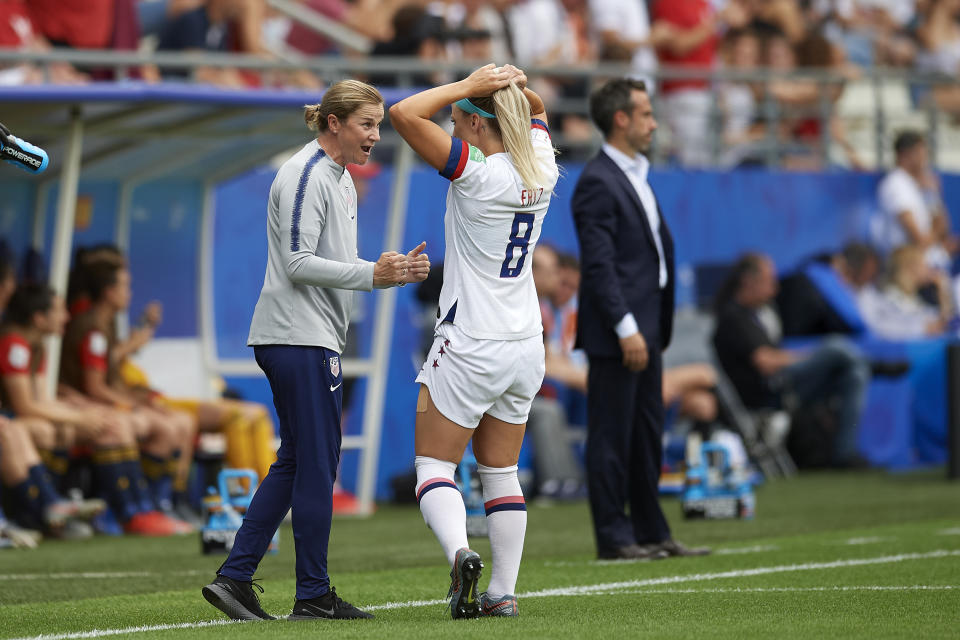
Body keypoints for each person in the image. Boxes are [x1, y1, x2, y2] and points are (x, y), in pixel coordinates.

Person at [202, 79, 429, 623]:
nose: (376, 135)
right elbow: (300, 263)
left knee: (300, 460)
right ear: (333, 123)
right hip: (295, 335)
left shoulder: (336, 177)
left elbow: (330, 263)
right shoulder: (305, 173)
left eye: (377, 124)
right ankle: (312, 593)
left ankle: (237, 578)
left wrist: (385, 270)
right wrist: (373, 274)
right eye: (366, 124)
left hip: (310, 335)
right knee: (315, 462)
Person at [389, 63, 558, 618]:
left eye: (460, 120)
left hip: (470, 340)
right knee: (502, 472)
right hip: (526, 342)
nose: (455, 128)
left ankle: (460, 552)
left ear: (481, 127)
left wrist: (468, 85)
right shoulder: (545, 167)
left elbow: (403, 113)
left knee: (435, 468)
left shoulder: (477, 173)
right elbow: (535, 110)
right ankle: (502, 593)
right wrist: (505, 87)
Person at [572, 77, 708, 561]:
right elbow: (600, 264)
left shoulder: (634, 175)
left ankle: (652, 531)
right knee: (611, 437)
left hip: (648, 331)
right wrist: (625, 327)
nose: (654, 122)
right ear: (621, 119)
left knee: (647, 435)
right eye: (647, 114)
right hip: (621, 334)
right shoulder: (597, 180)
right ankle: (614, 537)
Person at [712, 252, 871, 468]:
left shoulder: (763, 314)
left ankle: (845, 454)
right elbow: (766, 362)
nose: (775, 289)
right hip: (766, 391)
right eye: (769, 281)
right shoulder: (733, 317)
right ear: (748, 281)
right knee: (835, 346)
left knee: (854, 374)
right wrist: (812, 356)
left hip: (782, 387)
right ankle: (873, 364)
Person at [877, 130, 958, 273]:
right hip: (905, 268)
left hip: (926, 261)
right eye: (920, 153)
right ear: (906, 155)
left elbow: (943, 228)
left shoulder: (919, 185)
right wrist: (938, 240)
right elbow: (919, 240)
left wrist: (932, 195)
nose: (924, 159)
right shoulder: (895, 184)